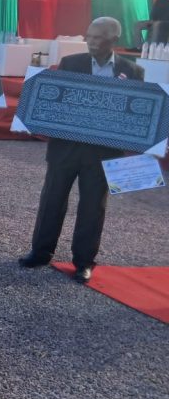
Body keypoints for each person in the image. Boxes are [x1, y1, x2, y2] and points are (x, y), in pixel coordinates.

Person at [19, 17, 144, 282]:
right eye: (89, 36)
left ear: (114, 40)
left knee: (93, 208)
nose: (91, 42)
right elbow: (54, 100)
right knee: (52, 201)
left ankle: (84, 262)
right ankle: (40, 252)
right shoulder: (70, 63)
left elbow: (137, 113)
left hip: (104, 152)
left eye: (98, 38)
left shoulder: (132, 71)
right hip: (66, 149)